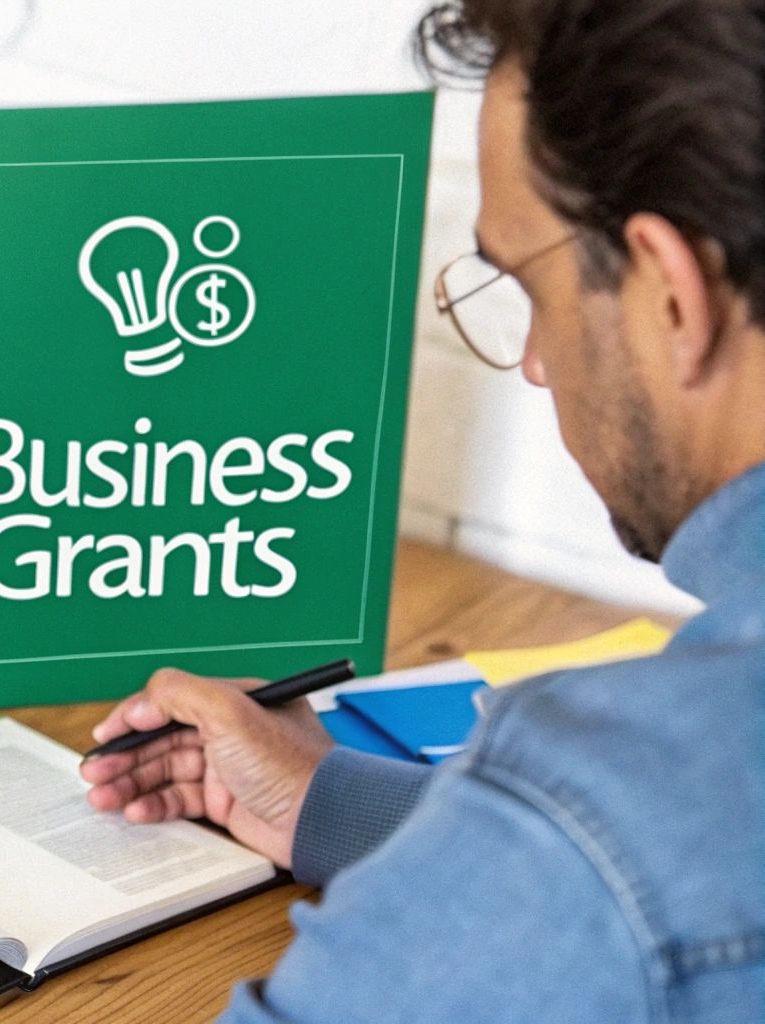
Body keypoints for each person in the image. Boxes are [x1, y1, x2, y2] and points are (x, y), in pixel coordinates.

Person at [80, 1, 765, 1019]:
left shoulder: (617, 797)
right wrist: (340, 803)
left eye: (523, 284)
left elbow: (620, 864)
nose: (534, 362)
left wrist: (528, 826)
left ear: (669, 293)